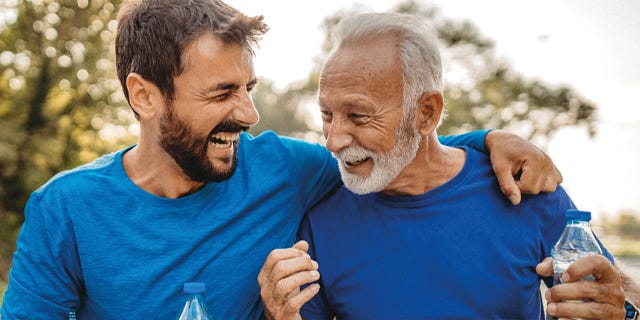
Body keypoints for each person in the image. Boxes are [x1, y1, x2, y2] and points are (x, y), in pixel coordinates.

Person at [0, 1, 565, 319]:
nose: (248, 114)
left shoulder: (286, 172)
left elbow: (397, 150)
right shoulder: (64, 210)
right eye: (222, 93)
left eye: (250, 87)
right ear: (145, 96)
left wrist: (489, 140)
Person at [258, 12, 640, 320]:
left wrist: (621, 311)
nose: (333, 140)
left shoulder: (525, 187)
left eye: (358, 116)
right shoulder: (320, 224)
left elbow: (618, 298)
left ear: (426, 114)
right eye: (327, 114)